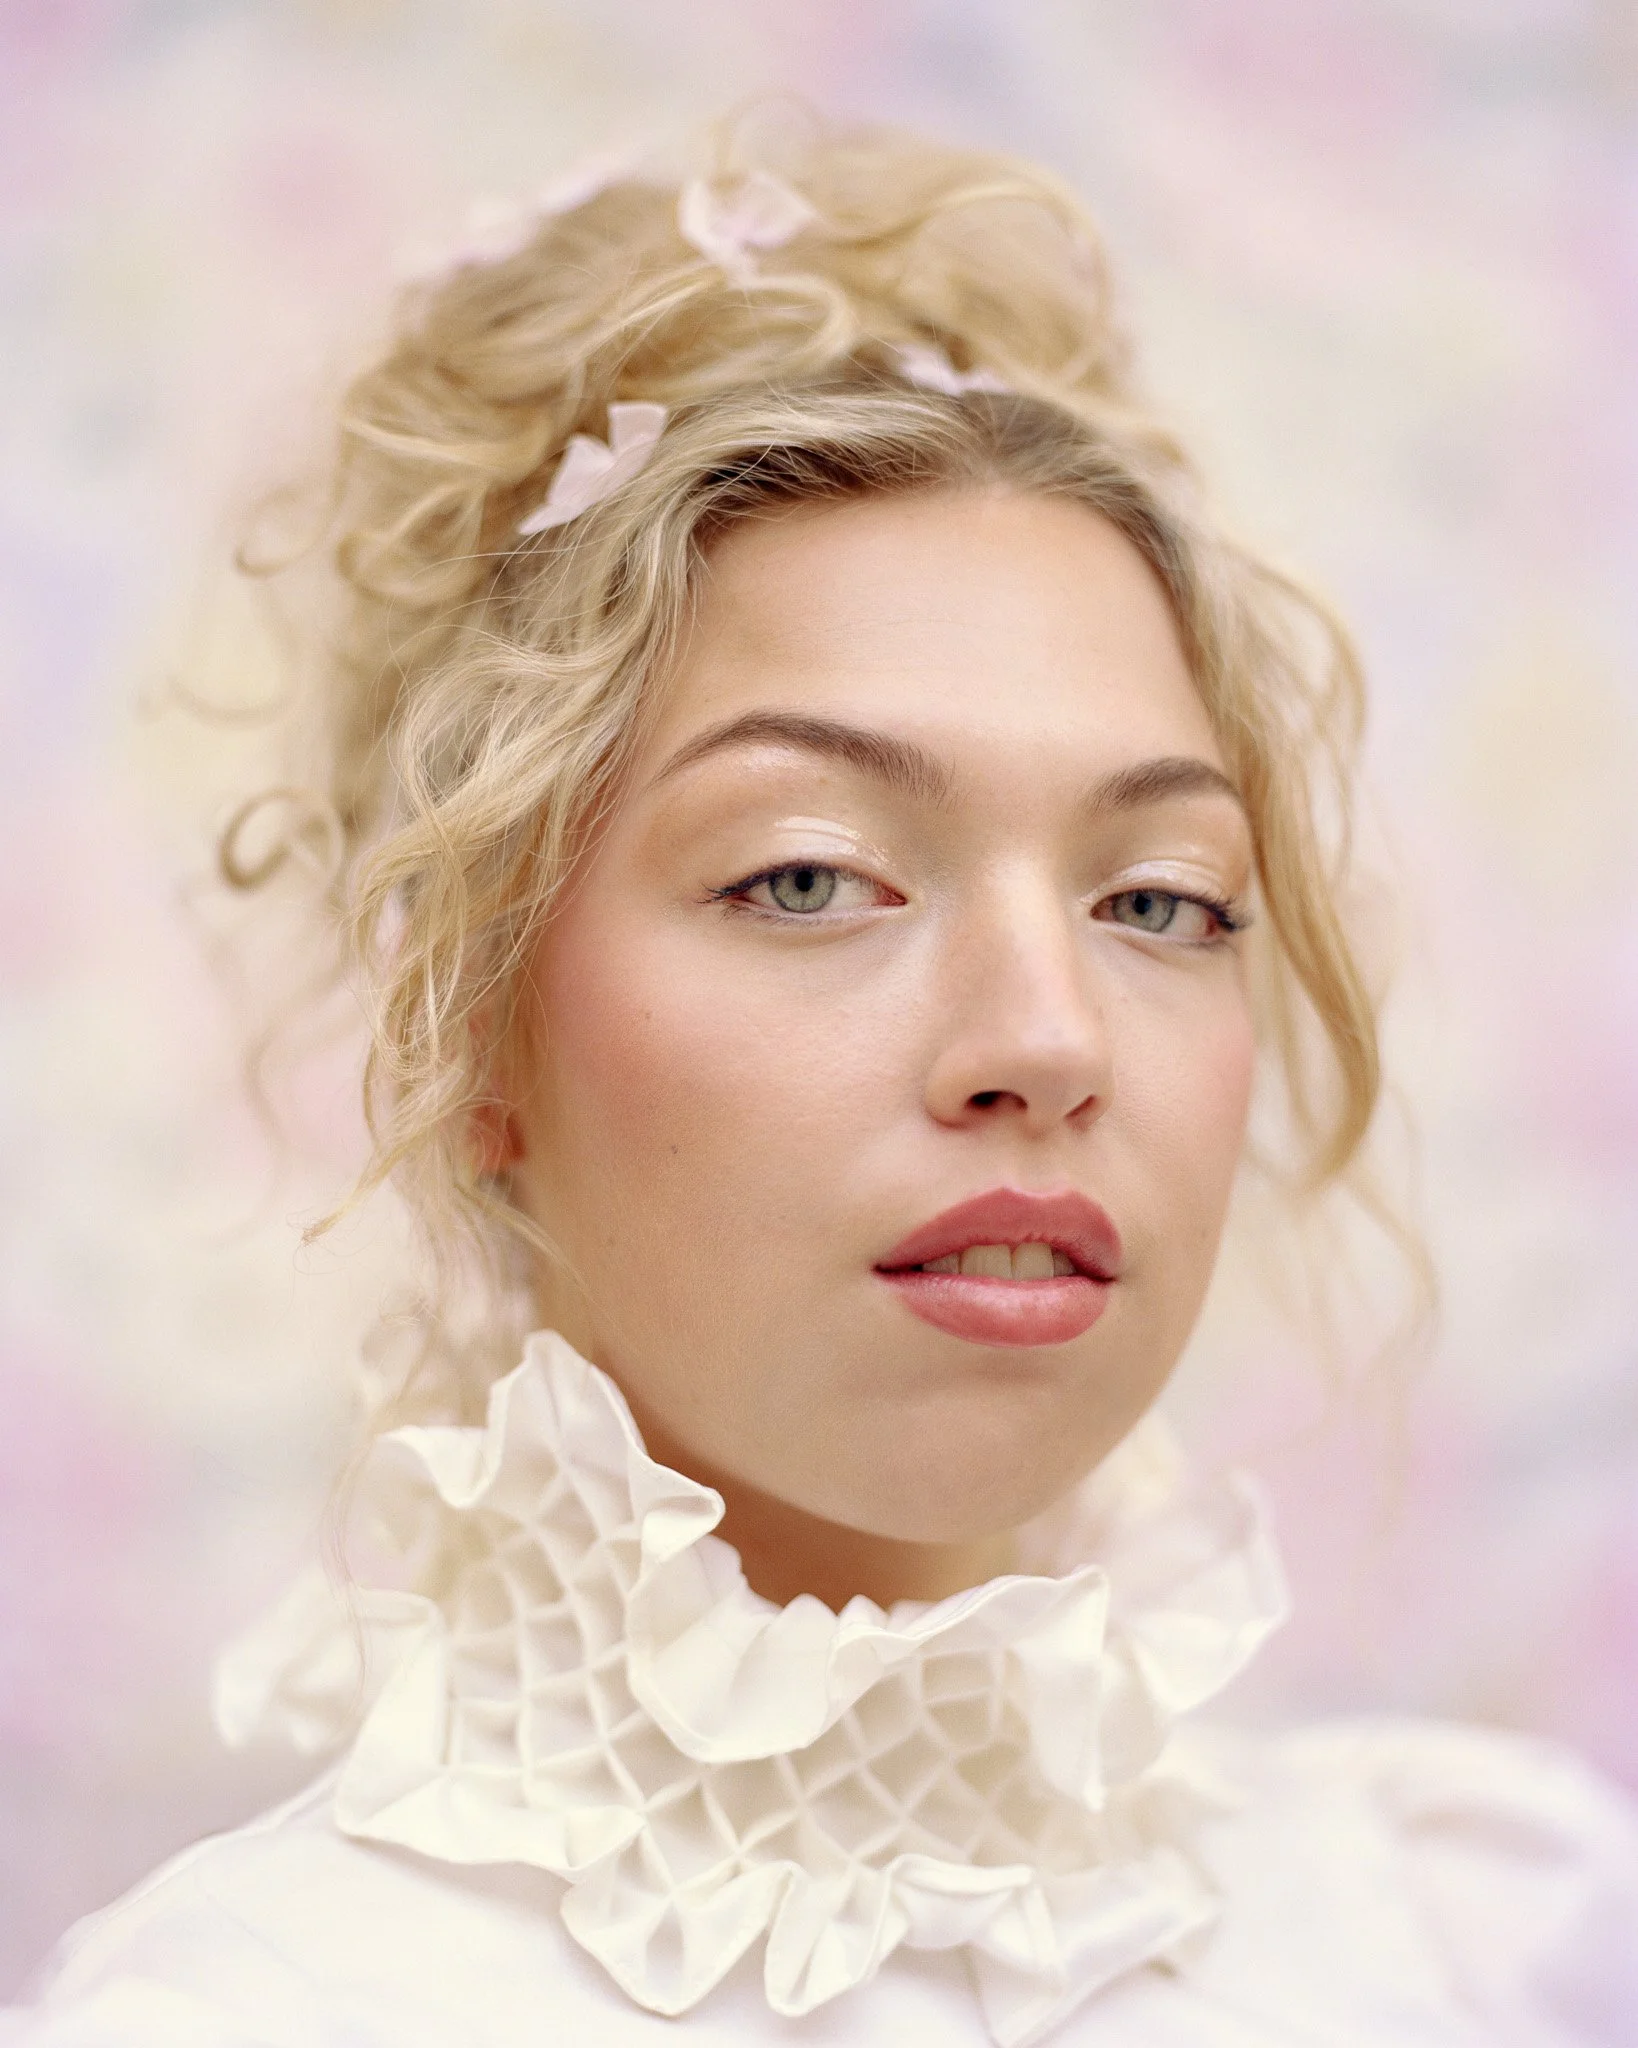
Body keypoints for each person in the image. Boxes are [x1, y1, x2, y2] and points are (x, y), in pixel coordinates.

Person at [6, 114, 1635, 2047]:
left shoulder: (1480, 1942)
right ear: (478, 1029)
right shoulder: (254, 2011)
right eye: (807, 876)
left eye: (1161, 899)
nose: (1044, 1036)